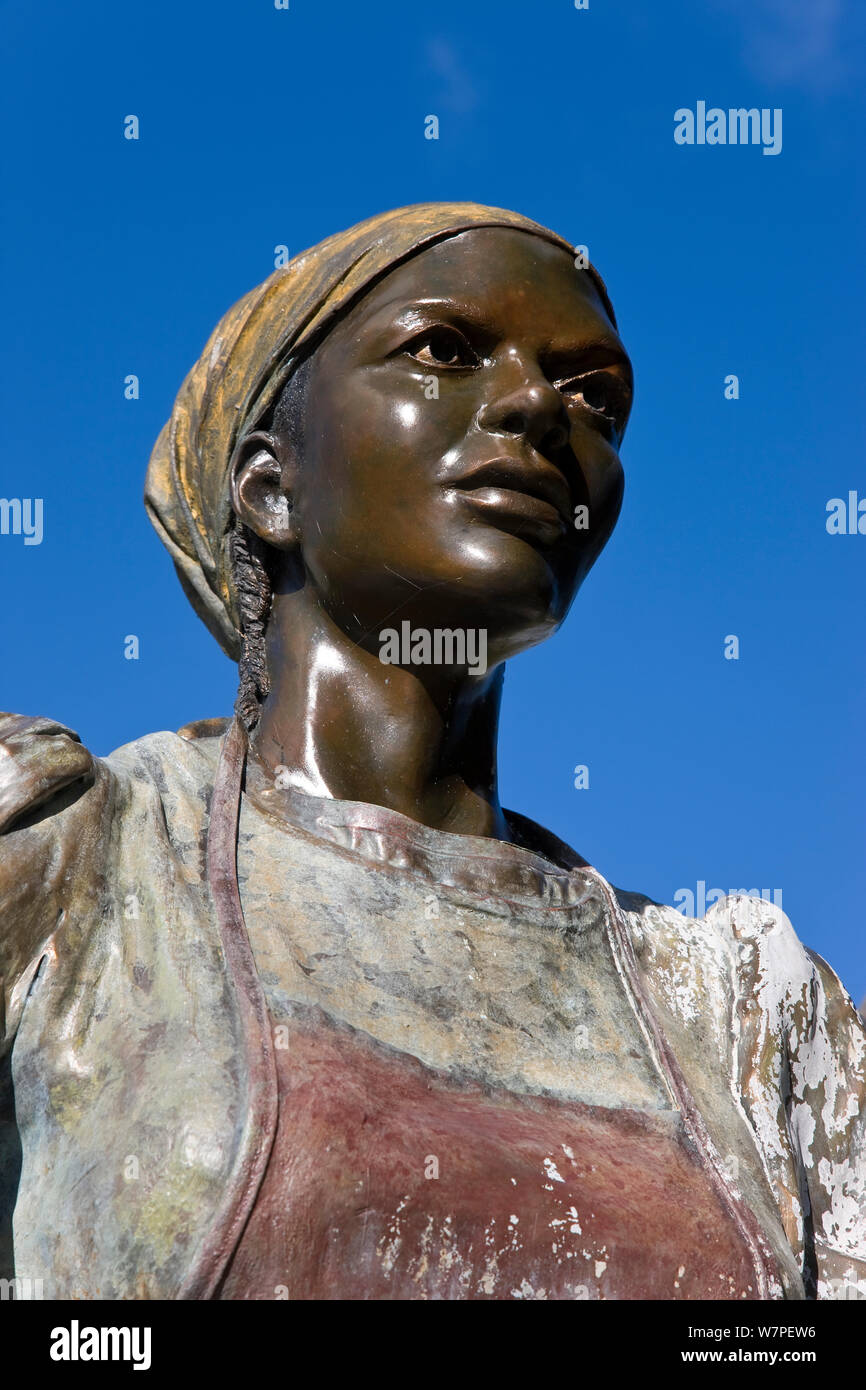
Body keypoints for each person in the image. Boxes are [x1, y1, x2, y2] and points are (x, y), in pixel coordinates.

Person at [1, 203, 863, 1300]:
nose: (537, 409)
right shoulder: (66, 860)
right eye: (443, 351)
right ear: (270, 487)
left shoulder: (747, 1012)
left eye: (595, 396)